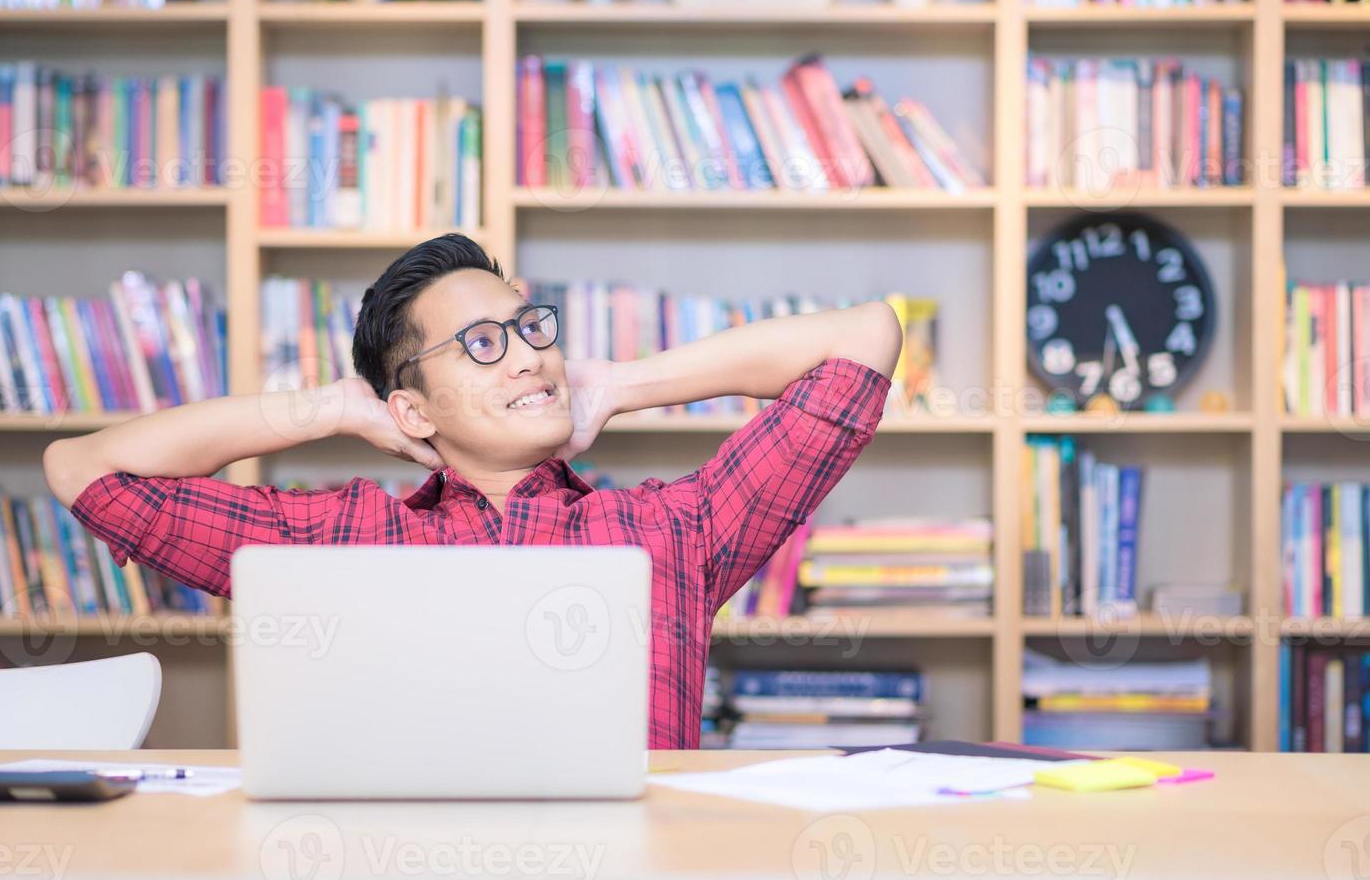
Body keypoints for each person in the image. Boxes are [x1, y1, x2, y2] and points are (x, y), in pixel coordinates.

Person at [44, 233, 902, 748]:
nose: (530, 355)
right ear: (410, 409)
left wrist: (617, 385)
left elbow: (865, 338)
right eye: (481, 345)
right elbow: (84, 470)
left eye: (531, 329)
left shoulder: (677, 526)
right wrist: (326, 409)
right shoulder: (338, 539)